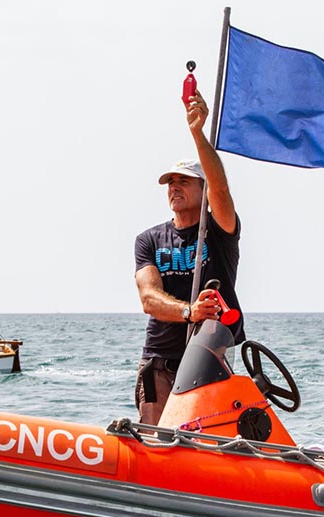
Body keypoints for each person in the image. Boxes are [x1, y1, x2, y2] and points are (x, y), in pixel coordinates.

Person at [133, 88, 244, 426]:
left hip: (208, 357)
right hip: (160, 360)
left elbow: (221, 189)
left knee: (207, 444)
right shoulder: (149, 238)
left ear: (203, 190)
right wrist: (188, 311)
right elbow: (149, 298)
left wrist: (197, 132)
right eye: (171, 182)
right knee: (155, 441)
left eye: (185, 181)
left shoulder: (220, 230)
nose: (175, 187)